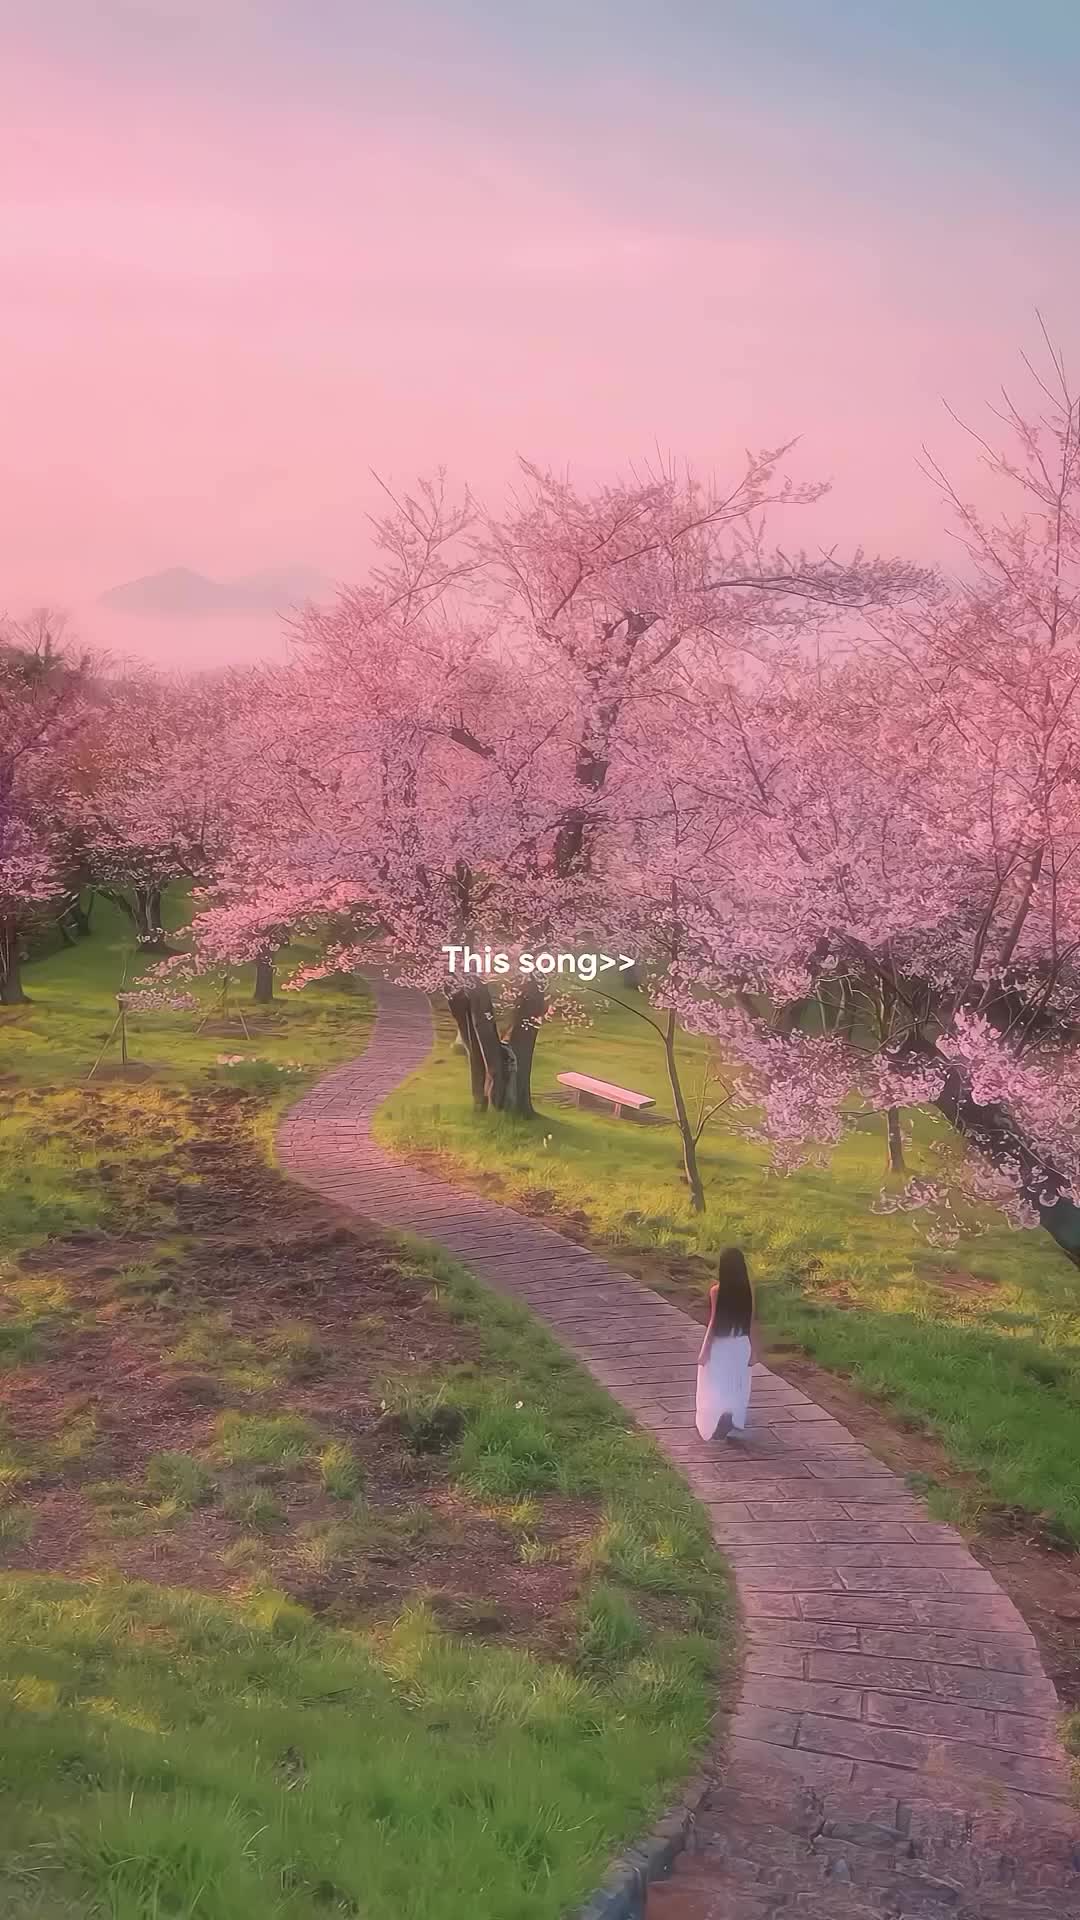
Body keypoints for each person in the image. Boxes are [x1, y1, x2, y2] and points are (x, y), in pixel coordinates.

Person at [695, 1246, 754, 1442]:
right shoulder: (747, 1290)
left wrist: (704, 1350)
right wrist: (754, 1349)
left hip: (722, 1343)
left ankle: (718, 1417)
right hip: (741, 1343)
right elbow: (752, 1319)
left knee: (716, 1381)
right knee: (736, 1382)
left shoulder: (717, 1291)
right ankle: (731, 1417)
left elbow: (714, 1322)